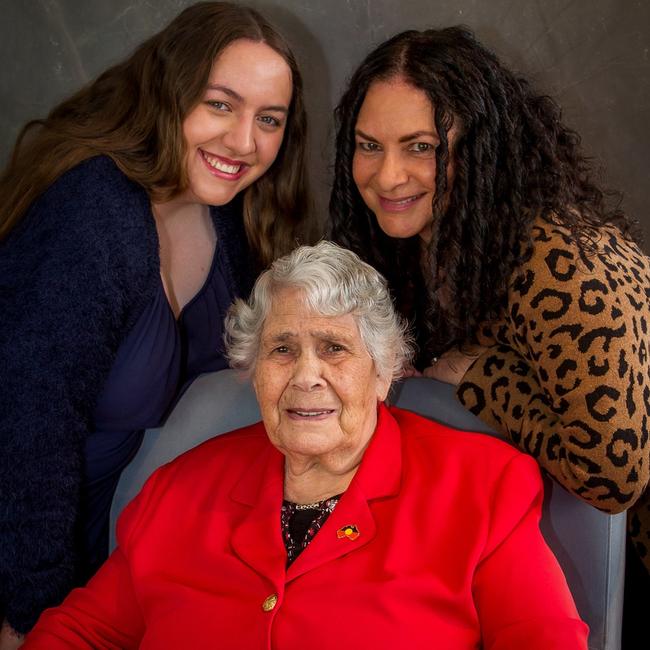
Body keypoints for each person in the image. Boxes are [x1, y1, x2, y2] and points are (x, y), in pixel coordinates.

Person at [22, 241, 588, 649]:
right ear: (253, 370)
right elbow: (82, 633)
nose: (306, 376)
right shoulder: (180, 489)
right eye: (283, 350)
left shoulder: (480, 488)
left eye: (335, 348)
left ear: (384, 370)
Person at [0, 2, 311, 644]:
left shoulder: (225, 211)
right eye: (219, 104)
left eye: (269, 119)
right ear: (169, 94)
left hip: (127, 541)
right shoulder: (94, 215)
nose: (244, 142)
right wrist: (39, 617)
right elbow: (26, 437)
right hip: (32, 548)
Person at [329, 25, 650, 645]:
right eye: (369, 145)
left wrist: (478, 377)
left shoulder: (558, 259)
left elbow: (613, 473)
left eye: (420, 147)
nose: (388, 175)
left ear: (481, 148)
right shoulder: (419, 243)